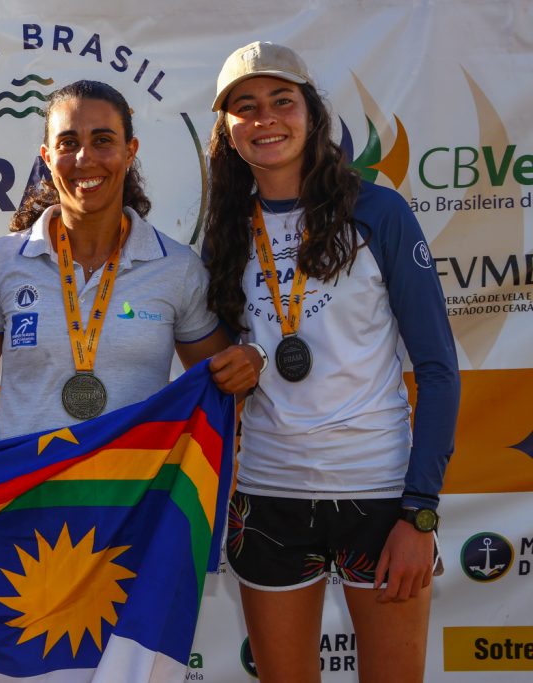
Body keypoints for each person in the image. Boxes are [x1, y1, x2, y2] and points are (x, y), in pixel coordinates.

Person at [204, 42, 460, 682]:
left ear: (312, 114)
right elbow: (229, 353)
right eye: (245, 107)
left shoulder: (378, 211)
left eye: (281, 101)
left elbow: (437, 370)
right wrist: (245, 358)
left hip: (379, 496)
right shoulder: (226, 228)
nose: (265, 119)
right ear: (228, 131)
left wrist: (419, 513)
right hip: (267, 497)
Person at [0, 80, 261, 447]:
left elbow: (222, 386)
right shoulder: (1, 261)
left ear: (130, 151)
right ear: (47, 157)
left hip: (133, 500)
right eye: (69, 143)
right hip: (27, 499)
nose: (84, 158)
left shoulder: (176, 267)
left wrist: (254, 358)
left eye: (103, 140)